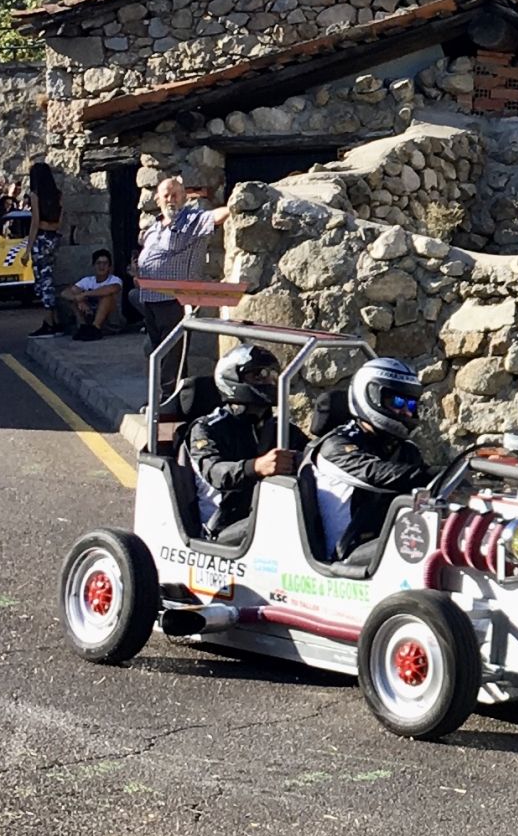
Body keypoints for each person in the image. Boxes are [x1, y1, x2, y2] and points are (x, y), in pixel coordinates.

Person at [308, 358, 432, 562]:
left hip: (382, 545)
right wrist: (434, 473)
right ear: (371, 396)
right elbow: (376, 474)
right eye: (397, 402)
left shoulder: (405, 450)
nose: (406, 411)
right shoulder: (335, 445)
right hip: (345, 557)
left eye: (411, 404)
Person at [179, 345, 307, 542]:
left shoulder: (279, 428)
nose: (268, 381)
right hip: (223, 526)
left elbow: (312, 455)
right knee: (277, 522)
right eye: (258, 375)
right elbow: (214, 472)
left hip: (266, 512)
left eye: (272, 375)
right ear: (233, 378)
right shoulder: (207, 428)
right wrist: (256, 466)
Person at [135, 176, 229, 399]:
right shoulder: (154, 227)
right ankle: (162, 399)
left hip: (175, 301)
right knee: (157, 352)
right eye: (166, 195)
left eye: (175, 194)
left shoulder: (192, 220)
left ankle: (171, 402)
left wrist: (235, 206)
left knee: (173, 357)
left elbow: (216, 216)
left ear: (185, 197)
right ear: (158, 199)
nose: (171, 199)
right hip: (150, 300)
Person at [21, 161, 64, 338]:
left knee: (42, 280)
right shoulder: (58, 195)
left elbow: (35, 222)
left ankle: (49, 322)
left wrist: (27, 249)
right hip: (53, 238)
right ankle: (55, 321)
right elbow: (60, 222)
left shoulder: (35, 195)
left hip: (41, 239)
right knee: (49, 278)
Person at [58, 248, 123, 341]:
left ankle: (96, 328)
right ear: (93, 265)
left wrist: (84, 295)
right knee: (74, 298)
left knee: (107, 297)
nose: (102, 266)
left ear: (109, 266)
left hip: (110, 322)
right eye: (98, 263)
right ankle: (83, 327)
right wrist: (78, 299)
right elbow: (65, 293)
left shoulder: (115, 280)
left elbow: (111, 289)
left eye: (105, 263)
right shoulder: (87, 280)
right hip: (89, 316)